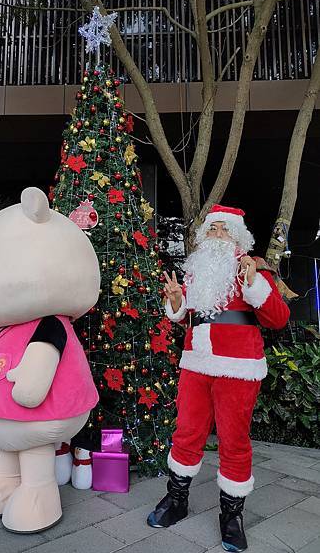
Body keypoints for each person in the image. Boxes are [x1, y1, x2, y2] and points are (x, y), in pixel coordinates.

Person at [147, 204, 290, 552]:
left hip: (237, 368)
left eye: (224, 229)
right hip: (196, 364)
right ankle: (177, 500)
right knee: (187, 432)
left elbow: (278, 319)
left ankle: (231, 516)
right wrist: (178, 302)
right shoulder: (196, 272)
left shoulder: (252, 269)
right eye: (212, 229)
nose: (216, 234)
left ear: (238, 236)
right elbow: (188, 319)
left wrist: (255, 283)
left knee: (233, 439)